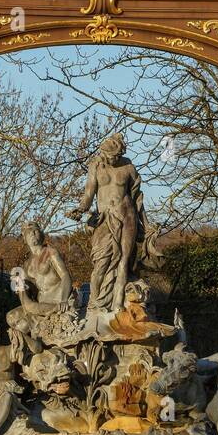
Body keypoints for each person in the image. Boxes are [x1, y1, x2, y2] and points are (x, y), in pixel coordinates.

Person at [68, 132, 145, 312]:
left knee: (123, 262)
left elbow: (136, 197)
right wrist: (80, 209)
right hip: (104, 218)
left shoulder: (128, 168)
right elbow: (89, 194)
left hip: (126, 216)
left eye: (117, 156)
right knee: (101, 262)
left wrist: (144, 224)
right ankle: (95, 304)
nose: (113, 159)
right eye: (111, 156)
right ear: (104, 153)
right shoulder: (96, 165)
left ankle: (118, 307)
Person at [5, 221, 74, 352]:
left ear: (41, 234)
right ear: (25, 238)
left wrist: (64, 299)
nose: (33, 234)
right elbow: (30, 288)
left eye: (36, 231)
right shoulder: (27, 263)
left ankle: (35, 350)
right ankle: (28, 353)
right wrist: (20, 285)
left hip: (56, 297)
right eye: (29, 233)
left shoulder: (50, 252)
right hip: (40, 302)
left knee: (22, 326)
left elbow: (65, 275)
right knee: (11, 316)